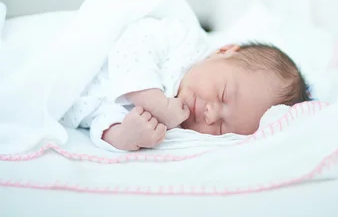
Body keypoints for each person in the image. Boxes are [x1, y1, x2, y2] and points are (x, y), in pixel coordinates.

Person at [60, 16, 310, 152]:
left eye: (222, 128)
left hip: (62, 103)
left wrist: (124, 135)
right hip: (69, 54)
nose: (211, 115)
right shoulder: (183, 43)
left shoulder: (175, 132)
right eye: (222, 95)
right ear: (223, 51)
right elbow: (134, 41)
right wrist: (154, 101)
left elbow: (99, 118)